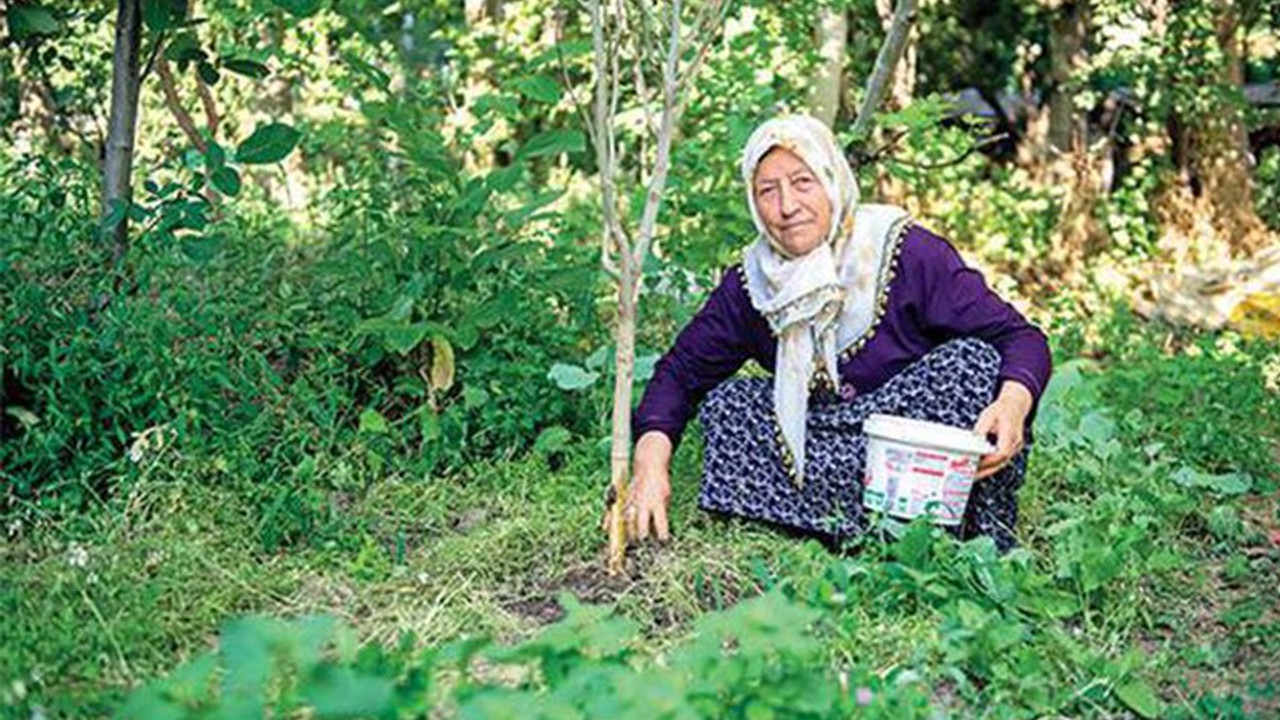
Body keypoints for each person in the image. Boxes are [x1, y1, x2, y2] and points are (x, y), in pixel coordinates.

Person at [625, 114, 1052, 552]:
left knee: (974, 366)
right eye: (768, 191)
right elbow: (681, 372)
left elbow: (1020, 338)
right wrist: (649, 464)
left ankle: (940, 530)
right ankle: (849, 525)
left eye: (802, 181)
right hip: (826, 439)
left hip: (911, 444)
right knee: (728, 405)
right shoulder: (753, 283)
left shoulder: (904, 251)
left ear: (831, 178)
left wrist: (1013, 403)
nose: (787, 206)